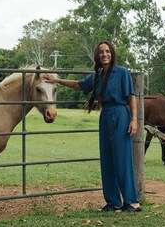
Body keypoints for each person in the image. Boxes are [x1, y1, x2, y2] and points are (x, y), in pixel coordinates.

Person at [44, 41, 141, 212]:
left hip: (120, 114)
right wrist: (56, 80)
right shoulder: (97, 76)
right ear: (97, 55)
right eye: (101, 52)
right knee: (107, 159)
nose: (105, 54)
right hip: (105, 116)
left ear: (112, 54)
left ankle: (132, 201)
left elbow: (131, 96)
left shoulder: (122, 73)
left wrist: (134, 119)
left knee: (122, 159)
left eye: (107, 51)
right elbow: (77, 85)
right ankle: (113, 202)